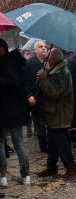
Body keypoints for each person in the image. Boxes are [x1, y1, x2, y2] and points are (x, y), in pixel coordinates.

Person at [37, 48, 76, 178]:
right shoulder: (56, 71)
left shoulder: (63, 73)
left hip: (60, 114)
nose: (47, 59)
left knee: (62, 143)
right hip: (54, 114)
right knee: (53, 143)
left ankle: (71, 168)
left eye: (49, 57)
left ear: (53, 59)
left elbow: (54, 93)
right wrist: (43, 76)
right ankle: (51, 167)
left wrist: (43, 79)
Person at [0, 38, 30, 186]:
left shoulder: (3, 66)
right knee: (19, 143)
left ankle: (3, 177)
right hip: (18, 111)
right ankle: (26, 176)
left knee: (1, 143)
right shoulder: (18, 63)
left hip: (4, 113)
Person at [24, 40, 48, 152]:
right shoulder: (29, 64)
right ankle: (44, 146)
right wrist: (29, 96)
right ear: (35, 50)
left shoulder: (49, 63)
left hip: (48, 98)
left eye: (45, 47)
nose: (43, 48)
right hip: (35, 99)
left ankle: (50, 143)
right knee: (39, 124)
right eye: (40, 47)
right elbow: (24, 82)